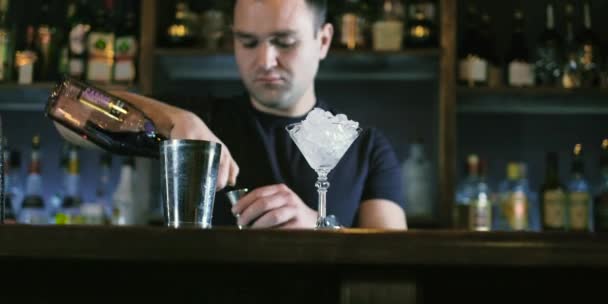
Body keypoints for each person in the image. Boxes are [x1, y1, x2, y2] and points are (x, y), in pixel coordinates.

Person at [57, 0, 407, 229]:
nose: (265, 60)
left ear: (324, 40)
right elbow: (69, 108)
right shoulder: (202, 121)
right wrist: (176, 120)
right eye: (248, 42)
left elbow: (391, 262)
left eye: (285, 42)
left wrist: (318, 230)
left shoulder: (364, 147)